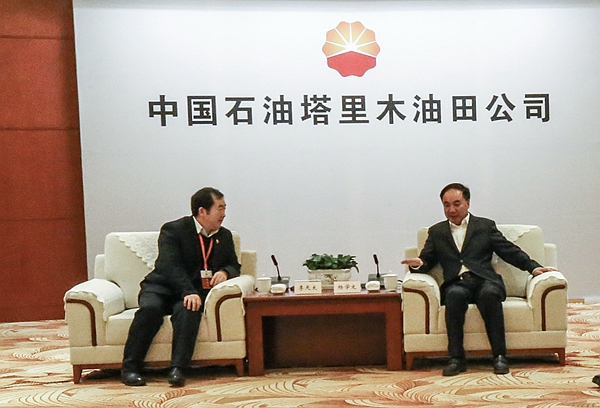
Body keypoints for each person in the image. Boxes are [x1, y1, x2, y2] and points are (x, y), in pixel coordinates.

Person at [401, 183, 556, 376]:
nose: (451, 210)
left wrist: (533, 267)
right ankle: (456, 358)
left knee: (489, 295)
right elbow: (427, 260)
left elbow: (508, 250)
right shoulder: (437, 232)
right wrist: (418, 264)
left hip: (485, 280)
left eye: (456, 204)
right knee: (454, 296)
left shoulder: (484, 226)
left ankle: (499, 356)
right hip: (457, 283)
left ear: (467, 203)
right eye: (446, 205)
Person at [121, 187, 241, 387]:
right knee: (150, 310)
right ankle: (130, 368)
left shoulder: (224, 236)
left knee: (189, 311)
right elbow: (170, 266)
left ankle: (178, 369)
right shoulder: (173, 230)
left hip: (192, 294)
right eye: (219, 208)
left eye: (224, 208)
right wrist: (189, 291)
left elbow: (234, 264)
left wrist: (225, 272)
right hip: (162, 287)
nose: (224, 214)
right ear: (202, 211)